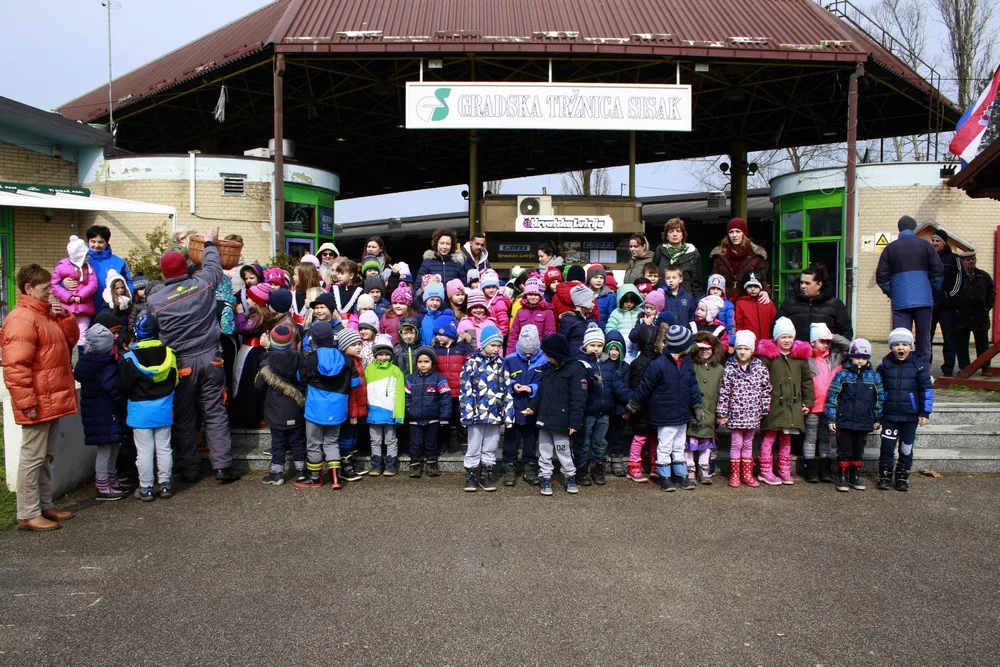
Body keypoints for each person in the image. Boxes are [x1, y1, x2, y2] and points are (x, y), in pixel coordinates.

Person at [146, 228, 238, 484]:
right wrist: (209, 242)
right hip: (211, 358)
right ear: (185, 268)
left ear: (164, 274)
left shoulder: (155, 301)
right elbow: (213, 265)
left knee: (185, 417)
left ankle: (189, 469)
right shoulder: (202, 284)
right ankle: (223, 467)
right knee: (215, 411)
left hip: (181, 364)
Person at [1, 264, 79, 531]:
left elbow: (69, 343)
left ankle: (44, 505)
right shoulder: (21, 319)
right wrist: (26, 402)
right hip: (38, 398)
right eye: (45, 289)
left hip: (51, 396)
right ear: (28, 289)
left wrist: (65, 318)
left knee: (46, 455)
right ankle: (27, 512)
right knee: (33, 456)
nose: (50, 294)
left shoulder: (44, 315)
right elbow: (15, 367)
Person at [626, 324, 702, 491]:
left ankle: (681, 475)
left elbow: (692, 384)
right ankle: (665, 476)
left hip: (682, 413)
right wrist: (634, 403)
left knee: (679, 444)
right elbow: (645, 386)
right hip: (665, 414)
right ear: (681, 345)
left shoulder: (687, 362)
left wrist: (696, 405)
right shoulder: (658, 364)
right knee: (665, 445)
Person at [118, 313, 180, 499]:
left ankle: (145, 487)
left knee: (144, 451)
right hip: (163, 408)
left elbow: (123, 385)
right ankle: (165, 485)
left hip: (139, 411)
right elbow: (175, 380)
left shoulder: (129, 358)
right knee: (164, 448)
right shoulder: (170, 353)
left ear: (137, 332)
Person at [295, 321, 358, 488]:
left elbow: (300, 378)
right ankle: (336, 478)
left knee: (313, 442)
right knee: (332, 441)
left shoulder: (311, 358)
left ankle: (315, 478)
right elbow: (356, 382)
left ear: (314, 338)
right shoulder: (346, 359)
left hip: (315, 407)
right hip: (338, 407)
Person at [875, 215, 944, 361]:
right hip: (923, 300)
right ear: (914, 228)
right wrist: (930, 290)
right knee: (923, 339)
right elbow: (938, 273)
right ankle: (923, 370)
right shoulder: (926, 246)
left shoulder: (890, 248)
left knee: (901, 338)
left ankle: (902, 370)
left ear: (899, 228)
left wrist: (891, 291)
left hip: (900, 299)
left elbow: (881, 276)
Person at [524, 332, 585, 496]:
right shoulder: (548, 370)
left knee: (563, 450)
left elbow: (578, 400)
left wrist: (574, 423)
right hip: (545, 419)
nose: (547, 359)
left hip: (562, 421)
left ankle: (569, 475)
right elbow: (542, 393)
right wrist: (532, 406)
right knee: (543, 450)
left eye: (549, 355)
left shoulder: (575, 370)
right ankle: (545, 477)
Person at [756, 317, 814, 486]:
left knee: (786, 439)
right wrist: (762, 402)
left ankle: (784, 469)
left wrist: (808, 401)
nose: (787, 340)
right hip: (773, 404)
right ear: (776, 338)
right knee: (769, 437)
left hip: (793, 405)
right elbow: (761, 380)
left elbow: (807, 381)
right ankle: (765, 471)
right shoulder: (768, 358)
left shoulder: (800, 358)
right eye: (783, 337)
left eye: (790, 337)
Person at [73, 325, 127, 501]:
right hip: (106, 412)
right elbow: (113, 389)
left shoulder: (87, 363)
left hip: (96, 412)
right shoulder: (107, 366)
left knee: (112, 445)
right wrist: (123, 405)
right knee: (107, 449)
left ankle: (110, 479)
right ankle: (103, 483)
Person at [459, 324, 513, 492]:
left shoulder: (502, 365)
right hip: (476, 414)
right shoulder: (471, 363)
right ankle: (472, 473)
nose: (496, 349)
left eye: (499, 345)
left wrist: (508, 414)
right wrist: (466, 413)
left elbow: (507, 389)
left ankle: (486, 473)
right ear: (483, 344)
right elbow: (465, 389)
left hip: (495, 414)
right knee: (474, 444)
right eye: (493, 345)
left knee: (491, 444)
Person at [826, 339, 884, 492]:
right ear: (851, 356)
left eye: (864, 358)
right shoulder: (842, 375)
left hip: (864, 420)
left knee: (858, 450)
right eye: (857, 356)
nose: (860, 360)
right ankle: (843, 476)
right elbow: (833, 396)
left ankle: (855, 476)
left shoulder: (874, 376)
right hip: (844, 419)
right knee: (844, 450)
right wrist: (832, 417)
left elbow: (880, 398)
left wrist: (877, 417)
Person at [877, 328, 933, 492]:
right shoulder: (885, 366)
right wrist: (877, 415)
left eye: (904, 344)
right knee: (887, 447)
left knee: (906, 448)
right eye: (896, 345)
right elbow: (878, 391)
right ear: (891, 347)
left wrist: (924, 412)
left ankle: (902, 476)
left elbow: (926, 390)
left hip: (910, 416)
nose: (900, 348)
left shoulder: (919, 365)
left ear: (910, 346)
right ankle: (885, 475)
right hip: (889, 415)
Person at [251, 324, 307, 486]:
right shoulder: (299, 358)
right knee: (298, 441)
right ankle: (302, 472)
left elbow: (258, 386)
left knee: (278, 443)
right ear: (290, 342)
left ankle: (277, 473)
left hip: (276, 412)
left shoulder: (267, 363)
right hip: (297, 409)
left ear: (272, 342)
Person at [577, 324, 631, 486]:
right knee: (583, 442)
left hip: (604, 411)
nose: (596, 349)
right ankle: (580, 469)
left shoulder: (607, 364)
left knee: (600, 442)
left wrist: (633, 399)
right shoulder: (580, 363)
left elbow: (618, 386)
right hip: (587, 411)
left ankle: (597, 469)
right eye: (593, 345)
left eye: (600, 345)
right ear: (586, 345)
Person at [716, 330, 772, 488]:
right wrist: (722, 413)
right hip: (735, 415)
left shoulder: (759, 367)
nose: (742, 352)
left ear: (752, 350)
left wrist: (764, 408)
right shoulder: (730, 368)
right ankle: (735, 474)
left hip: (753, 414)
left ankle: (747, 474)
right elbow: (724, 392)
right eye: (740, 348)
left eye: (746, 348)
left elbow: (766, 389)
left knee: (748, 444)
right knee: (736, 444)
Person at [803, 324, 850, 483]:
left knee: (825, 438)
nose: (826, 344)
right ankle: (810, 468)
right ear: (812, 342)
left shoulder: (835, 357)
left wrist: (832, 336)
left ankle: (825, 468)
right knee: (810, 437)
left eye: (827, 341)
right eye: (821, 341)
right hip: (813, 406)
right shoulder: (807, 359)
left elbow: (849, 346)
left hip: (831, 407)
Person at [501, 325, 545, 486]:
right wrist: (513, 385)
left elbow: (544, 383)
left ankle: (530, 465)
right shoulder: (510, 359)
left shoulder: (544, 361)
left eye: (531, 352)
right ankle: (510, 466)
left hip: (533, 407)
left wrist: (532, 388)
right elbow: (503, 379)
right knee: (511, 438)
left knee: (530, 438)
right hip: (513, 406)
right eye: (524, 351)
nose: (527, 355)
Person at [404, 346, 451, 478]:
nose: (423, 365)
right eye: (420, 362)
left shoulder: (439, 379)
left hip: (433, 418)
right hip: (415, 419)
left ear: (432, 363)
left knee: (431, 442)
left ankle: (432, 464)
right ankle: (415, 465)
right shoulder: (411, 379)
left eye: (426, 362)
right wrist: (409, 410)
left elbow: (445, 400)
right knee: (415, 443)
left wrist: (444, 417)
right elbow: (406, 397)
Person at [776, 266, 852, 342]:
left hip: (825, 353)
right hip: (796, 352)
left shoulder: (835, 305)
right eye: (801, 282)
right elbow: (776, 328)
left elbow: (846, 333)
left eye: (807, 283)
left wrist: (835, 350)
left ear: (819, 284)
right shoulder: (789, 303)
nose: (803, 286)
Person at [431, 311, 472, 454]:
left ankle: (464, 442)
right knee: (444, 420)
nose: (437, 337)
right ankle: (443, 442)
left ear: (450, 333)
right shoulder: (435, 349)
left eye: (440, 334)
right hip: (443, 392)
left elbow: (469, 367)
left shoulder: (463, 348)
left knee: (461, 419)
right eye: (436, 334)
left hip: (459, 391)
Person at [364, 334, 405, 476]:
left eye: (386, 354)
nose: (383, 357)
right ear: (375, 355)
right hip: (373, 412)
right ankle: (376, 464)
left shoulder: (395, 371)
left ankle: (391, 463)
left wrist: (399, 414)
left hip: (389, 411)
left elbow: (400, 395)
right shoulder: (369, 370)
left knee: (390, 439)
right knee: (375, 439)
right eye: (380, 354)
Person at [687, 332, 724, 485]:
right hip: (692, 411)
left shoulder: (719, 368)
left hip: (710, 411)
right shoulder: (690, 364)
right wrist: (696, 346)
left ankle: (704, 468)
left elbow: (722, 391)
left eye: (708, 348)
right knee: (689, 443)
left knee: (706, 444)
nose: (704, 351)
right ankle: (690, 469)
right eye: (701, 348)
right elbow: (684, 350)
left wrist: (720, 412)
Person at [51, 234, 98, 347]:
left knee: (82, 334)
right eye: (85, 255)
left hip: (85, 306)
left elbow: (93, 284)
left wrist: (81, 295)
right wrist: (68, 297)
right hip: (68, 308)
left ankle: (81, 358)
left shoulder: (89, 268)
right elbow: (54, 285)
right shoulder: (61, 267)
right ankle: (68, 358)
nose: (88, 257)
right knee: (67, 333)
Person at [952, 252, 996, 372]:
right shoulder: (957, 277)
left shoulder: (984, 276)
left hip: (980, 315)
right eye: (967, 260)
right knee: (962, 344)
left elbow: (992, 292)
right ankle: (965, 367)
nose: (971, 262)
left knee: (983, 343)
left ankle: (985, 366)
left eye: (972, 259)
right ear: (962, 262)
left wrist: (987, 307)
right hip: (962, 315)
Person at [710, 218, 769, 301]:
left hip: (747, 296)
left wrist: (765, 291)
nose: (734, 235)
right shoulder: (720, 254)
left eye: (738, 231)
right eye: (731, 232)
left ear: (743, 234)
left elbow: (762, 276)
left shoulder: (755, 254)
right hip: (724, 297)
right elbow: (714, 277)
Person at [929, 229, 960, 376]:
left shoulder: (954, 259)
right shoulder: (928, 258)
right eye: (933, 240)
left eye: (937, 241)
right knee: (926, 338)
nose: (934, 243)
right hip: (930, 305)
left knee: (949, 338)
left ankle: (948, 369)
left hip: (947, 307)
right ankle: (925, 367)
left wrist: (948, 296)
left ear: (944, 242)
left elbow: (959, 281)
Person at [603, 330, 632, 477]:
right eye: (611, 349)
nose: (614, 352)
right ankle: (599, 460)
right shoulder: (601, 365)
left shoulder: (625, 367)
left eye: (617, 349)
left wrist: (626, 409)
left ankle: (617, 458)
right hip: (604, 407)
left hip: (619, 408)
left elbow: (626, 388)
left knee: (617, 435)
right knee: (601, 436)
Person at [86, 224, 133, 311]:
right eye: (93, 241)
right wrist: (65, 283)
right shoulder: (81, 261)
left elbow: (129, 283)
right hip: (86, 308)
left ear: (106, 242)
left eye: (100, 242)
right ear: (88, 241)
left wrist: (125, 298)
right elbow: (62, 278)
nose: (96, 245)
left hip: (112, 309)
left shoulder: (118, 262)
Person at [507, 275, 556, 356]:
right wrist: (510, 355)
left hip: (540, 354)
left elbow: (549, 336)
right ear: (526, 295)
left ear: (541, 295)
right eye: (530, 294)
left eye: (536, 295)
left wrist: (545, 356)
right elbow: (513, 336)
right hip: (521, 354)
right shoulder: (520, 312)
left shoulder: (547, 312)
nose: (533, 297)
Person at [654, 217, 703, 295]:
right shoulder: (659, 251)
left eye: (678, 231)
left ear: (683, 235)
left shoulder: (693, 253)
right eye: (671, 231)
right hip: (662, 298)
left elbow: (697, 284)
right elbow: (653, 277)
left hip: (685, 301)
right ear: (666, 235)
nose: (675, 234)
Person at [733, 273, 776, 345]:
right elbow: (738, 324)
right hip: (748, 343)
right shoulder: (740, 303)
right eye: (749, 287)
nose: (753, 289)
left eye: (756, 287)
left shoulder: (768, 302)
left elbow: (774, 321)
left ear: (760, 288)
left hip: (767, 342)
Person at [605, 284, 644, 362]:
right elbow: (610, 329)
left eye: (631, 301)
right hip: (621, 345)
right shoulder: (616, 313)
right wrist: (615, 341)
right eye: (626, 301)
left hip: (637, 346)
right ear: (620, 300)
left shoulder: (640, 312)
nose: (629, 304)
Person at [560, 284, 598, 351]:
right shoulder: (568, 320)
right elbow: (562, 342)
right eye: (592, 302)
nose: (594, 304)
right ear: (584, 302)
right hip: (575, 358)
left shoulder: (590, 319)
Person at [704, 273, 736, 344]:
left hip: (723, 339)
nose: (715, 291)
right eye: (712, 288)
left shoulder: (728, 305)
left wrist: (731, 343)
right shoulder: (703, 303)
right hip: (706, 339)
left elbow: (731, 326)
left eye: (718, 289)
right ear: (708, 290)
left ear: (723, 291)